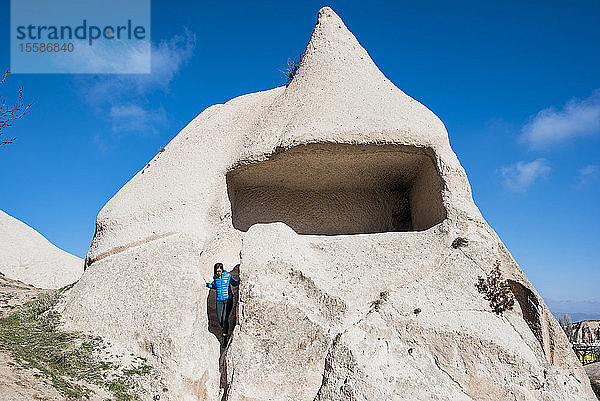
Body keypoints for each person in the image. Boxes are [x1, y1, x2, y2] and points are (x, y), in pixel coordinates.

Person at [206, 262, 239, 346]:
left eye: (220, 270)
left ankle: (224, 337)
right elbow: (215, 287)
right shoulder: (215, 278)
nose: (218, 272)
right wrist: (209, 285)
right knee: (220, 319)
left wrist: (240, 281)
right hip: (219, 300)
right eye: (217, 271)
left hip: (228, 299)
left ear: (222, 269)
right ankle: (224, 329)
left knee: (225, 319)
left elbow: (234, 283)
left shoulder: (227, 276)